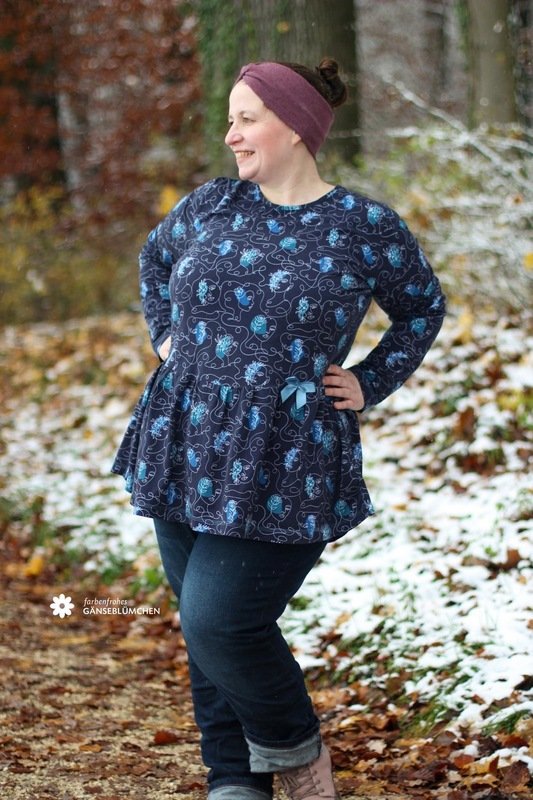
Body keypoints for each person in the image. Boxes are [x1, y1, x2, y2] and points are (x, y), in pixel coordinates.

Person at [112, 58, 446, 800]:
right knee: (202, 628)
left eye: (246, 119)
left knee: (220, 620)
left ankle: (298, 761)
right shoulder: (212, 204)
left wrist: (369, 380)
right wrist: (166, 336)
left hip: (285, 456)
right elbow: (154, 258)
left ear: (295, 126)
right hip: (186, 437)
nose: (231, 135)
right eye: (230, 120)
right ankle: (234, 777)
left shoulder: (363, 227)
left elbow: (422, 308)